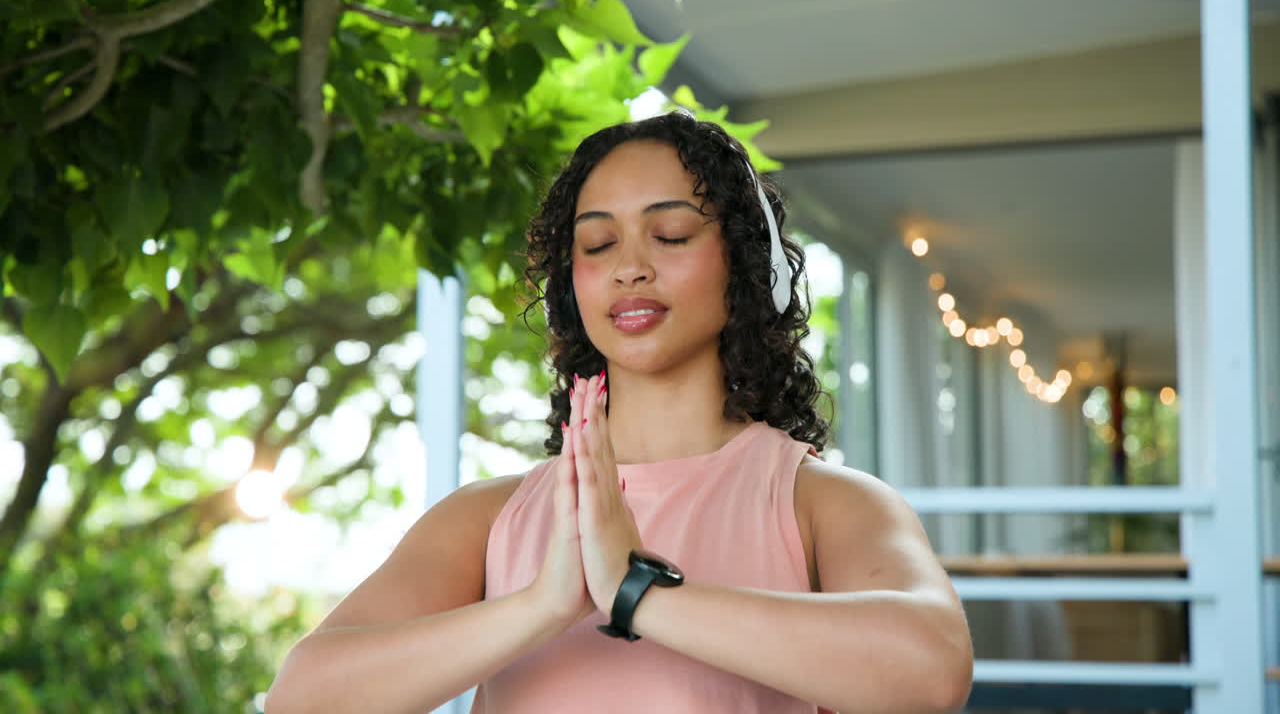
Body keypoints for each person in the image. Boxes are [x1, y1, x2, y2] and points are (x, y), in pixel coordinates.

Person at [265, 112, 973, 714]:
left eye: (670, 235)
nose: (628, 266)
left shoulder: (823, 502)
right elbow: (303, 696)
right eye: (598, 244)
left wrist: (634, 592)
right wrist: (545, 604)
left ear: (745, 266)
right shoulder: (484, 518)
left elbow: (932, 669)